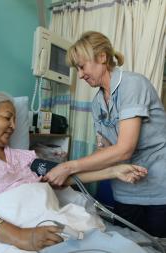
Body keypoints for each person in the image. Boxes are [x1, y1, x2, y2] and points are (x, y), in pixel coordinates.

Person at [43, 31, 166, 238]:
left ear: (102, 57)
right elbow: (107, 150)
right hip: (125, 189)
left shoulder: (132, 85)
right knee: (131, 246)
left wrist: (68, 166)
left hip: (158, 188)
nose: (80, 75)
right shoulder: (97, 103)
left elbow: (124, 149)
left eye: (81, 67)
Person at [0, 92, 147, 251]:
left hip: (49, 220)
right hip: (14, 230)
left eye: (15, 120)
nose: (14, 126)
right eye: (7, 118)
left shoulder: (23, 157)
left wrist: (113, 172)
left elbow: (61, 177)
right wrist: (19, 235)